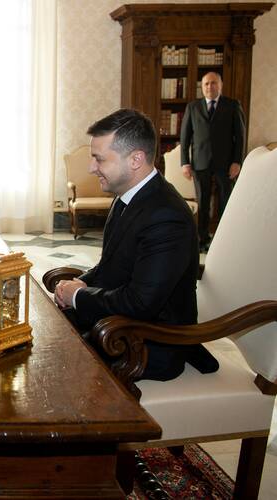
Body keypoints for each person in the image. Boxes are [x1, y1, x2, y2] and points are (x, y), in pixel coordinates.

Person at [52, 108, 218, 382]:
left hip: (149, 343)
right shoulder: (126, 195)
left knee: (51, 363)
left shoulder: (168, 216)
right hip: (122, 323)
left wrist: (78, 297)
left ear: (136, 159)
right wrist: (78, 283)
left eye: (99, 159)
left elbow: (140, 303)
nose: (92, 168)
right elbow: (112, 264)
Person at [180, 72, 246, 249]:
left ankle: (225, 239)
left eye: (213, 83)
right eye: (206, 84)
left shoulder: (232, 105)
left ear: (220, 85)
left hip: (226, 164)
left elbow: (240, 137)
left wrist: (237, 162)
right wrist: (185, 162)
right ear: (202, 87)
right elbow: (185, 137)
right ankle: (202, 238)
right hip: (200, 163)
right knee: (203, 201)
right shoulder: (193, 107)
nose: (210, 87)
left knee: (226, 201)